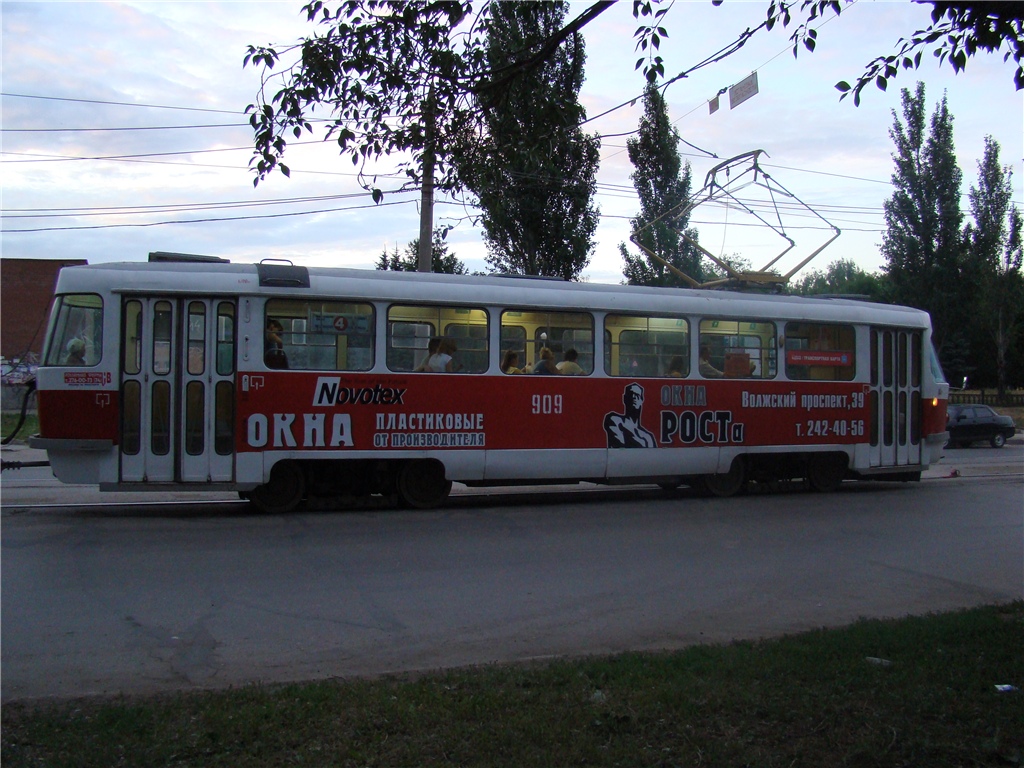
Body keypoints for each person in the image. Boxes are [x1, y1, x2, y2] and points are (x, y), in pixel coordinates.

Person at [603, 383, 657, 448]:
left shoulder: (648, 437)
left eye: (637, 395)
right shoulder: (615, 420)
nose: (634, 397)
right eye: (631, 394)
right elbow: (619, 449)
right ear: (624, 399)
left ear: (641, 400)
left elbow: (653, 456)